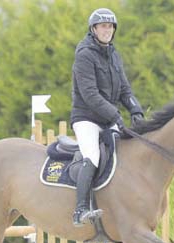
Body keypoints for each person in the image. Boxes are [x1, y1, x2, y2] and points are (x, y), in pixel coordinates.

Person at [70, 8, 144, 227]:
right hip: (86, 118)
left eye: (110, 26)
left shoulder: (113, 54)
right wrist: (115, 116)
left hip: (107, 117)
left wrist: (135, 110)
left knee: (125, 155)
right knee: (92, 156)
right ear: (93, 29)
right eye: (103, 26)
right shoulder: (84, 55)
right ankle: (80, 210)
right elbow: (90, 95)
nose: (107, 30)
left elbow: (124, 89)